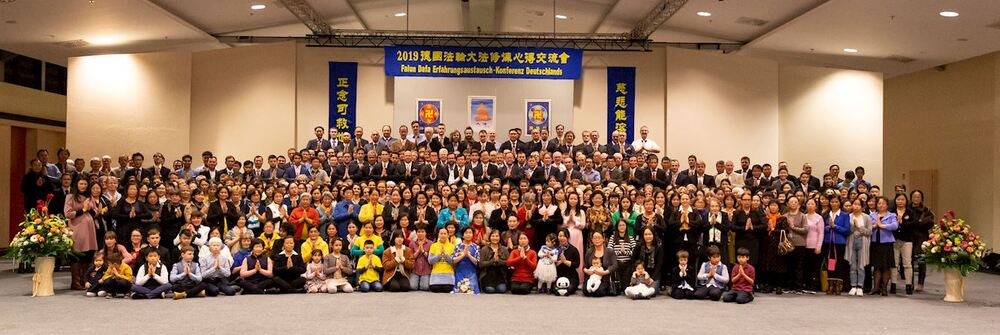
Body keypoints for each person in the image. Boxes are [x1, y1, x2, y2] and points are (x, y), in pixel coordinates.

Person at [64, 178, 99, 290]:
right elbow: (68, 213)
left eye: (85, 183)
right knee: (77, 254)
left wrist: (90, 209)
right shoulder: (70, 197)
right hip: (77, 228)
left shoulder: (89, 197)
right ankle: (75, 282)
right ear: (77, 184)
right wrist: (83, 210)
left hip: (89, 229)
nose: (83, 186)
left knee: (88, 254)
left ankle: (85, 280)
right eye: (81, 183)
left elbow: (95, 211)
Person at [869, 196, 899, 296]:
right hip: (875, 243)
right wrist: (874, 226)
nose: (881, 205)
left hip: (886, 244)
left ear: (887, 205)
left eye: (883, 203)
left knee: (886, 267)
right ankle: (876, 287)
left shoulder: (891, 215)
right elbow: (868, 227)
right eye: (879, 203)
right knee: (876, 267)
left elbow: (895, 226)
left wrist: (882, 226)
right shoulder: (872, 215)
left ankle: (885, 288)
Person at [845, 198, 872, 296]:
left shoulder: (866, 217)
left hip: (862, 242)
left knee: (861, 265)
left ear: (862, 207)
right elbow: (847, 231)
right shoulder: (848, 216)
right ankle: (853, 286)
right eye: (854, 204)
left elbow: (869, 232)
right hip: (851, 241)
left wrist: (859, 227)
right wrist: (853, 226)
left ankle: (860, 286)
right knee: (853, 265)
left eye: (858, 204)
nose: (856, 206)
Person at [891, 193, 916, 295]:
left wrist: (902, 222)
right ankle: (893, 285)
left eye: (902, 199)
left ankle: (908, 285)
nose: (900, 201)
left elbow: (914, 224)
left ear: (906, 201)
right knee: (894, 264)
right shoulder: (891, 212)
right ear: (895, 200)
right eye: (898, 199)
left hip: (907, 240)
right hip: (894, 240)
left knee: (907, 264)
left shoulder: (910, 212)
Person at [583, 231, 617, 297]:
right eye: (595, 238)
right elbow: (584, 266)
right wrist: (587, 271)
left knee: (599, 292)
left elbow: (615, 265)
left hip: (604, 278)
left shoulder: (610, 251)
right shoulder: (589, 251)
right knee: (586, 291)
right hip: (591, 277)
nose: (597, 240)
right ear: (592, 240)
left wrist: (604, 272)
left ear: (603, 239)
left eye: (599, 238)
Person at [479, 229, 509, 294]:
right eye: (493, 236)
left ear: (500, 237)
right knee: (490, 290)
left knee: (501, 290)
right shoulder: (484, 249)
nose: (495, 238)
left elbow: (508, 263)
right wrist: (492, 261)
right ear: (490, 237)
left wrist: (499, 261)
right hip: (487, 274)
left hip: (500, 275)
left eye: (497, 236)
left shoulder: (504, 249)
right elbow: (481, 264)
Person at [427, 227, 456, 293]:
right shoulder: (433, 246)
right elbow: (430, 261)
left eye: (445, 233)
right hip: (436, 273)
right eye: (441, 233)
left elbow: (454, 262)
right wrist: (439, 255)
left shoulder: (452, 246)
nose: (443, 235)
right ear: (438, 235)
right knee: (435, 289)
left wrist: (445, 255)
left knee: (447, 289)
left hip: (448, 273)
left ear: (448, 235)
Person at [452, 227, 480, 294]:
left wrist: (468, 255)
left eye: (470, 233)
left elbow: (477, 262)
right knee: (459, 291)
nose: (468, 234)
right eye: (466, 233)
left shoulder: (476, 247)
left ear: (473, 234)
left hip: (471, 273)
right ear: (463, 235)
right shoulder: (458, 246)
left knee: (472, 291)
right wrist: (463, 255)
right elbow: (453, 261)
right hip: (460, 272)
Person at [553, 228, 581, 296]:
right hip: (558, 274)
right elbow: (550, 263)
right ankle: (559, 290)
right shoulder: (554, 249)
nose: (562, 238)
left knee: (570, 289)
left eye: (564, 236)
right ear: (557, 237)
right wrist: (556, 263)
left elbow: (577, 264)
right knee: (554, 288)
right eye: (560, 236)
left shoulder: (574, 249)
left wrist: (564, 261)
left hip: (571, 275)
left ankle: (566, 290)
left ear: (568, 237)